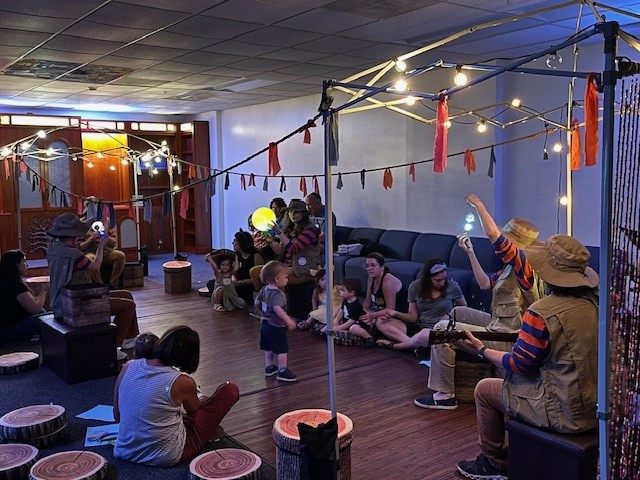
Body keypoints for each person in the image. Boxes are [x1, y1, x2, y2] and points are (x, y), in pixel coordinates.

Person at [455, 235, 598, 479]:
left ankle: (494, 462)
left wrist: (481, 349)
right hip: (596, 408)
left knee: (485, 390)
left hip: (564, 413)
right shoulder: (597, 304)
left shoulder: (541, 312)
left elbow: (519, 364)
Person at [416, 194, 543, 410]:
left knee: (441, 329)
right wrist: (470, 253)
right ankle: (441, 361)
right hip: (499, 325)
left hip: (510, 336)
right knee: (458, 312)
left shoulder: (525, 265)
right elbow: (485, 283)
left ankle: (445, 394)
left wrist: (479, 205)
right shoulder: (510, 268)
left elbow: (494, 236)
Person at [113, 326, 240, 467]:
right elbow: (195, 411)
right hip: (165, 456)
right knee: (230, 390)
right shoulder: (182, 382)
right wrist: (201, 398)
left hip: (124, 449)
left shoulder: (128, 366)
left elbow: (117, 415)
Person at [47, 213, 140, 358]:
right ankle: (112, 347)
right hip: (72, 304)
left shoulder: (53, 248)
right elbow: (96, 265)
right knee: (128, 306)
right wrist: (101, 246)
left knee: (126, 295)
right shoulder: (74, 254)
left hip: (62, 300)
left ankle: (128, 338)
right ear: (71, 236)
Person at [375, 258, 466, 350]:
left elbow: (464, 308)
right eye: (438, 280)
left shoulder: (453, 287)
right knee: (381, 322)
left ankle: (396, 346)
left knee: (424, 334)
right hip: (420, 326)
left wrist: (450, 316)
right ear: (428, 279)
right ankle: (414, 346)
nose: (442, 283)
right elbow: (413, 317)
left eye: (444, 279)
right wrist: (396, 313)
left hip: (439, 329)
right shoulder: (415, 286)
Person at [250, 199, 321, 289]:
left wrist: (279, 232)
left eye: (296, 212)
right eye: (290, 212)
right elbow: (280, 251)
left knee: (274, 277)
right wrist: (271, 241)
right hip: (285, 266)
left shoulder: (310, 229)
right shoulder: (289, 228)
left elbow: (293, 248)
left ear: (303, 214)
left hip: (303, 269)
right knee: (254, 272)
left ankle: (277, 296)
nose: (292, 214)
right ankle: (264, 296)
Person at [255, 261, 298, 382]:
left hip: (264, 324)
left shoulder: (264, 289)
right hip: (276, 326)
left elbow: (257, 303)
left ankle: (269, 367)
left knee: (268, 348)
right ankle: (282, 371)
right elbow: (277, 308)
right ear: (277, 279)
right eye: (285, 277)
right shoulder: (279, 294)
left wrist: (262, 312)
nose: (287, 280)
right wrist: (288, 320)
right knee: (282, 349)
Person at [79, 196, 126, 289]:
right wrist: (91, 239)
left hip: (106, 252)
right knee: (91, 259)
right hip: (91, 252)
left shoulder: (105, 220)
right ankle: (100, 285)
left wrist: (106, 237)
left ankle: (113, 284)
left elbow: (114, 242)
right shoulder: (81, 224)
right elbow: (80, 246)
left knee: (120, 256)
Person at [0, 250, 47, 342]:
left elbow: (31, 303)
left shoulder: (6, 281)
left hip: (5, 329)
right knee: (49, 318)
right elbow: (35, 308)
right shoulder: (15, 285)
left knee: (43, 312)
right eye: (24, 261)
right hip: (8, 330)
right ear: (16, 264)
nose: (27, 265)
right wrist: (42, 291)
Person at [359, 253, 405, 337]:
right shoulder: (371, 278)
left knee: (379, 322)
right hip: (379, 313)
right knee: (355, 316)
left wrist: (372, 316)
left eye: (373, 265)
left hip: (397, 317)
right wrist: (364, 314)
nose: (369, 269)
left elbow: (390, 309)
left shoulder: (388, 281)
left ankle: (405, 342)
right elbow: (367, 303)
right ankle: (369, 338)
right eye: (367, 266)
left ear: (382, 267)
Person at [329, 278, 375, 346]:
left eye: (343, 290)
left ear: (351, 293)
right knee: (333, 321)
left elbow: (351, 321)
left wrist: (338, 328)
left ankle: (369, 338)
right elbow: (341, 311)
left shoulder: (356, 305)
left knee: (354, 328)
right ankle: (323, 332)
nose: (340, 292)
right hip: (347, 322)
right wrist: (336, 322)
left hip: (358, 324)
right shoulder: (345, 300)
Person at [231, 230, 264, 305]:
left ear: (242, 242)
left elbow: (259, 277)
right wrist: (234, 279)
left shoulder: (256, 255)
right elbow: (235, 271)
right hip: (239, 282)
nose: (233, 243)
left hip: (251, 284)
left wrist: (241, 282)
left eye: (235, 241)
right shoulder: (238, 255)